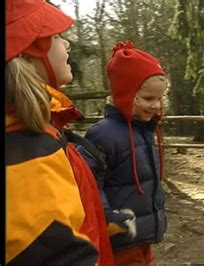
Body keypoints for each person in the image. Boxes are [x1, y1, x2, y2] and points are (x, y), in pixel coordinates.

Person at [5, 0, 114, 265]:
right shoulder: (27, 151)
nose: (67, 44)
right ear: (28, 55)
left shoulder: (41, 129)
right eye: (56, 36)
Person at [83, 40, 168, 265]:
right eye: (149, 98)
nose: (156, 105)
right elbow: (88, 183)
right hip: (120, 239)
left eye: (159, 98)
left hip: (142, 237)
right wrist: (108, 216)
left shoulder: (144, 130)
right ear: (125, 95)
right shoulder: (103, 135)